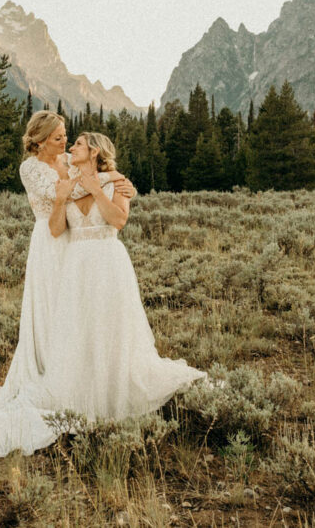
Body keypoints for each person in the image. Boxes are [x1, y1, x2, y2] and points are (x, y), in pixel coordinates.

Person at [0, 111, 134, 457]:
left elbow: (91, 179)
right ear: (41, 140)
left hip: (78, 246)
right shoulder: (30, 168)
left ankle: (81, 376)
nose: (65, 142)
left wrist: (119, 182)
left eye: (66, 136)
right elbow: (68, 192)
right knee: (50, 313)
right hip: (50, 244)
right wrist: (111, 182)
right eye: (59, 137)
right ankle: (49, 379)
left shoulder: (68, 159)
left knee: (79, 314)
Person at [46, 132, 205, 420]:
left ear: (94, 151)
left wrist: (96, 189)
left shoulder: (117, 182)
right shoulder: (68, 184)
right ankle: (81, 395)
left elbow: (119, 220)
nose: (71, 148)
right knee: (80, 326)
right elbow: (56, 230)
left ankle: (114, 393)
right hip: (76, 264)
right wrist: (59, 202)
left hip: (108, 261)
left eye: (78, 144)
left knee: (111, 325)